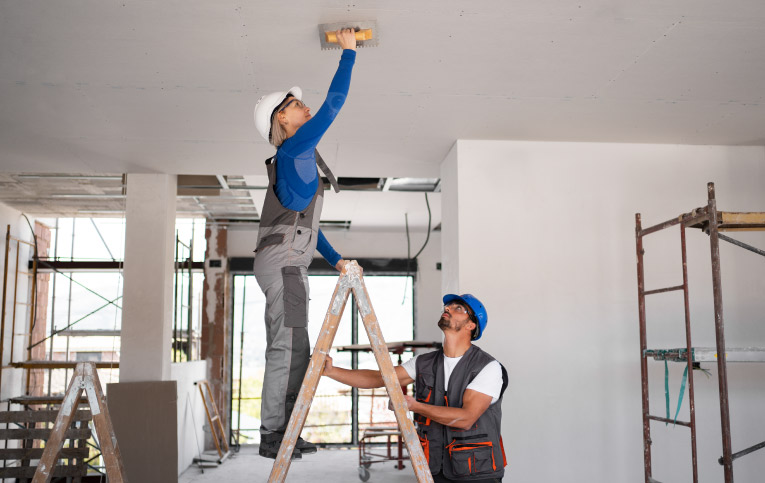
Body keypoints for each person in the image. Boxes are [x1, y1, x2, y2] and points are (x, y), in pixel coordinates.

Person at [251, 28, 358, 459]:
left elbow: (308, 230)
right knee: (288, 348)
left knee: (295, 348)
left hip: (283, 260)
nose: (305, 107)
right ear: (282, 120)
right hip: (285, 265)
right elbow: (333, 106)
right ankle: (274, 434)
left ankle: (285, 430)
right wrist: (348, 53)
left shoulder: (295, 158)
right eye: (296, 105)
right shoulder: (294, 150)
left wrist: (333, 259)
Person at [323, 294, 508, 482]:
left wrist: (415, 406)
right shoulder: (423, 363)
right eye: (448, 306)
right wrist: (332, 371)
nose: (447, 309)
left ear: (471, 325)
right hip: (434, 470)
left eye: (458, 308)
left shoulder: (487, 367)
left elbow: (466, 418)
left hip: (477, 473)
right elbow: (380, 378)